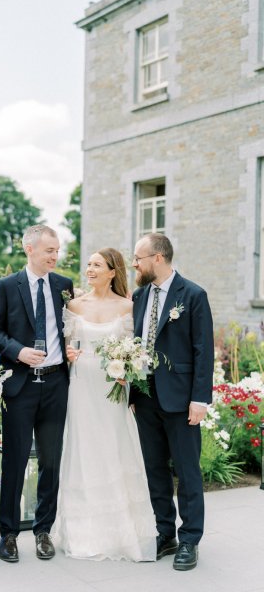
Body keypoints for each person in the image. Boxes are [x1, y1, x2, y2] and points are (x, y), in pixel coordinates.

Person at [53, 248, 157, 562]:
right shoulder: (73, 304)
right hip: (81, 385)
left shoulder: (128, 305)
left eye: (97, 265)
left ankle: (119, 532)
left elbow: (138, 348)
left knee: (113, 447)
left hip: (113, 387)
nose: (90, 269)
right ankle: (84, 534)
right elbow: (66, 345)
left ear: (113, 271)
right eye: (88, 264)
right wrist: (69, 353)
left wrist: (129, 369)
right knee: (84, 450)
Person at [0, 225, 73, 563]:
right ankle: (8, 533)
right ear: (29, 249)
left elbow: (72, 328)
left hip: (55, 384)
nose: (54, 256)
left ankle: (43, 531)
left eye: (57, 250)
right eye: (49, 250)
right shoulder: (7, 287)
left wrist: (72, 350)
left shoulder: (64, 286)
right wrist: (18, 351)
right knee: (15, 460)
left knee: (50, 461)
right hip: (20, 386)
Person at [130, 233, 214, 571]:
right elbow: (135, 344)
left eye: (139, 257)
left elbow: (202, 351)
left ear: (158, 258)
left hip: (181, 400)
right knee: (155, 470)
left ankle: (190, 538)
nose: (134, 263)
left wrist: (200, 399)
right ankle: (165, 533)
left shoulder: (192, 295)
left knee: (187, 471)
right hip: (146, 398)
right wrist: (134, 393)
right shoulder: (139, 295)